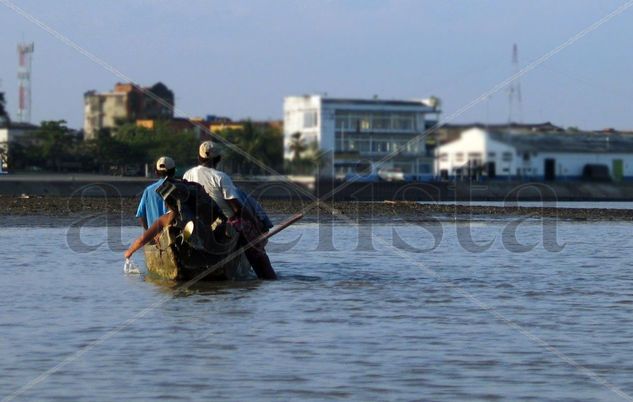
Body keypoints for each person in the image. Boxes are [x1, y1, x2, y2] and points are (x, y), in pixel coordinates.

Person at [183, 141, 277, 280]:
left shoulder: (187, 174)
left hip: (200, 222)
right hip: (226, 222)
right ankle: (269, 278)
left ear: (199, 157)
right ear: (218, 159)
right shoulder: (220, 177)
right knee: (257, 249)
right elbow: (236, 208)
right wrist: (255, 224)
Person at [136, 156, 176, 230]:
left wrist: (149, 233)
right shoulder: (181, 188)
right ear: (174, 171)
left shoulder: (148, 191)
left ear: (156, 172)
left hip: (155, 237)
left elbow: (141, 216)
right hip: (175, 235)